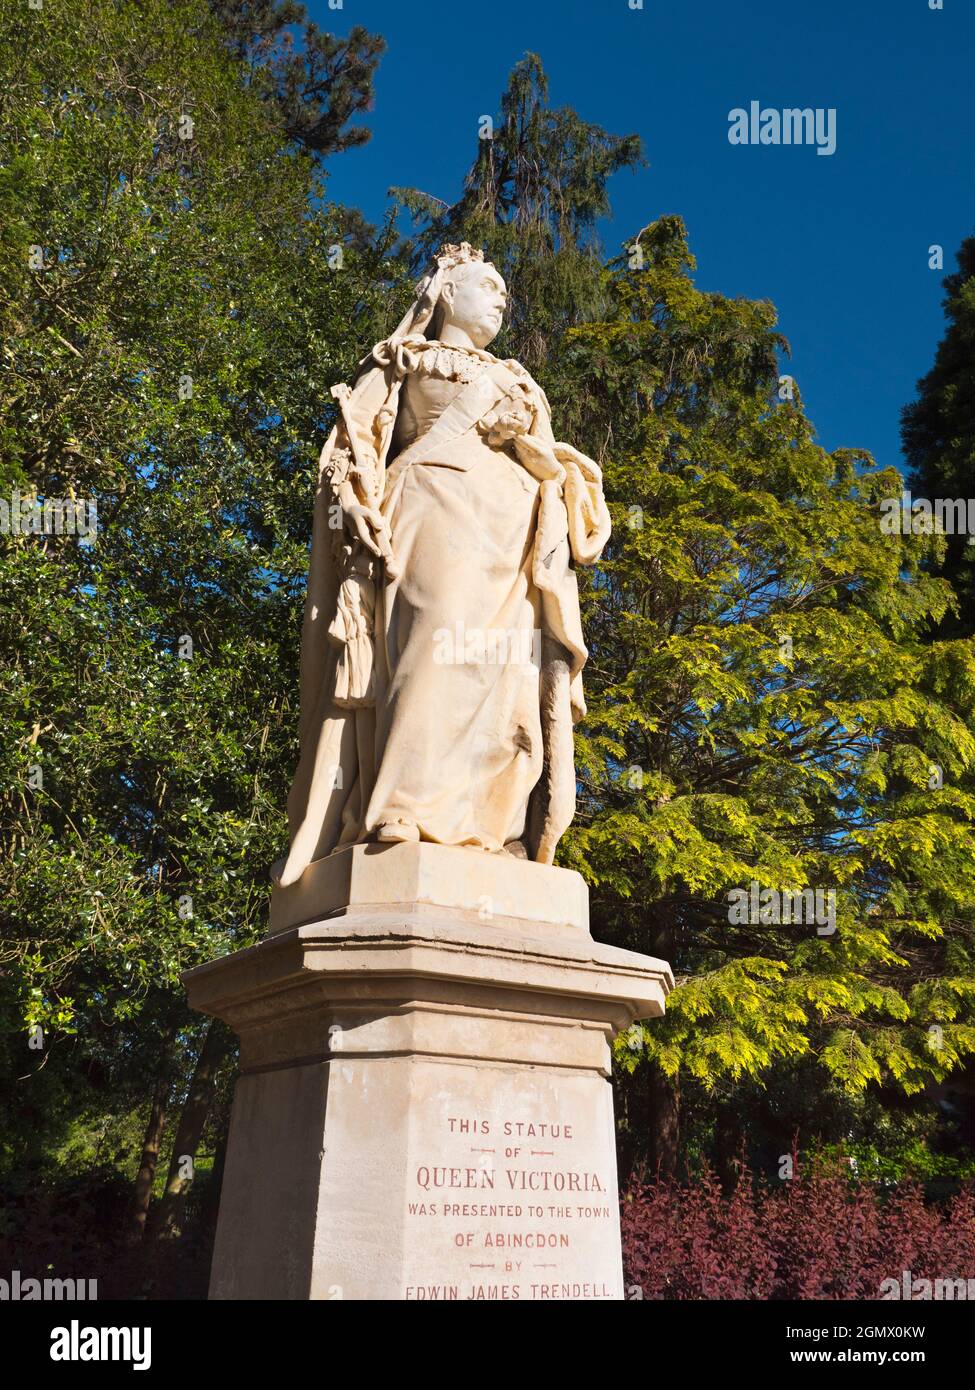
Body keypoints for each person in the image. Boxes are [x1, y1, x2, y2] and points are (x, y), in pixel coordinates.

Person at [276, 243, 610, 887]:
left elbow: (544, 460)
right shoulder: (401, 359)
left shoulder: (517, 378)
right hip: (428, 509)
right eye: (487, 284)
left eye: (506, 291)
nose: (501, 298)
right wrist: (353, 507)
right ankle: (403, 808)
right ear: (445, 294)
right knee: (429, 646)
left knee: (503, 674)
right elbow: (350, 449)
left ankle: (490, 826)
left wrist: (550, 463)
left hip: (511, 535)